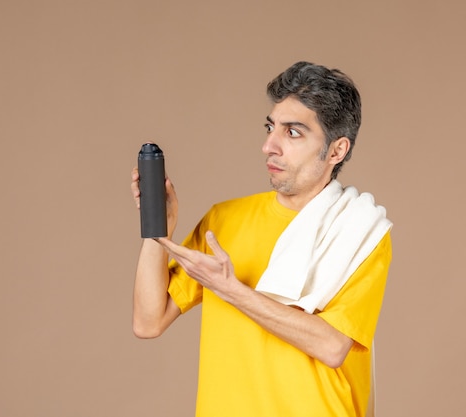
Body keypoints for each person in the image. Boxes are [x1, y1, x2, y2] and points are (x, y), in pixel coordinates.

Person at [130, 61, 392, 417]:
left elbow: (331, 346)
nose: (269, 145)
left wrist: (230, 288)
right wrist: (156, 230)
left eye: (293, 133)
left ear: (336, 150)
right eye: (270, 128)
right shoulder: (224, 220)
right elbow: (148, 322)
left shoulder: (360, 230)